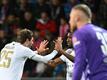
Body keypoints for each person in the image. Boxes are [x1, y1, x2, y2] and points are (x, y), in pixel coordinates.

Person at [54, 4, 107, 80]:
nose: (69, 21)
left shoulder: (81, 33)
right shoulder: (104, 32)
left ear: (77, 18)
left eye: (70, 18)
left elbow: (79, 63)